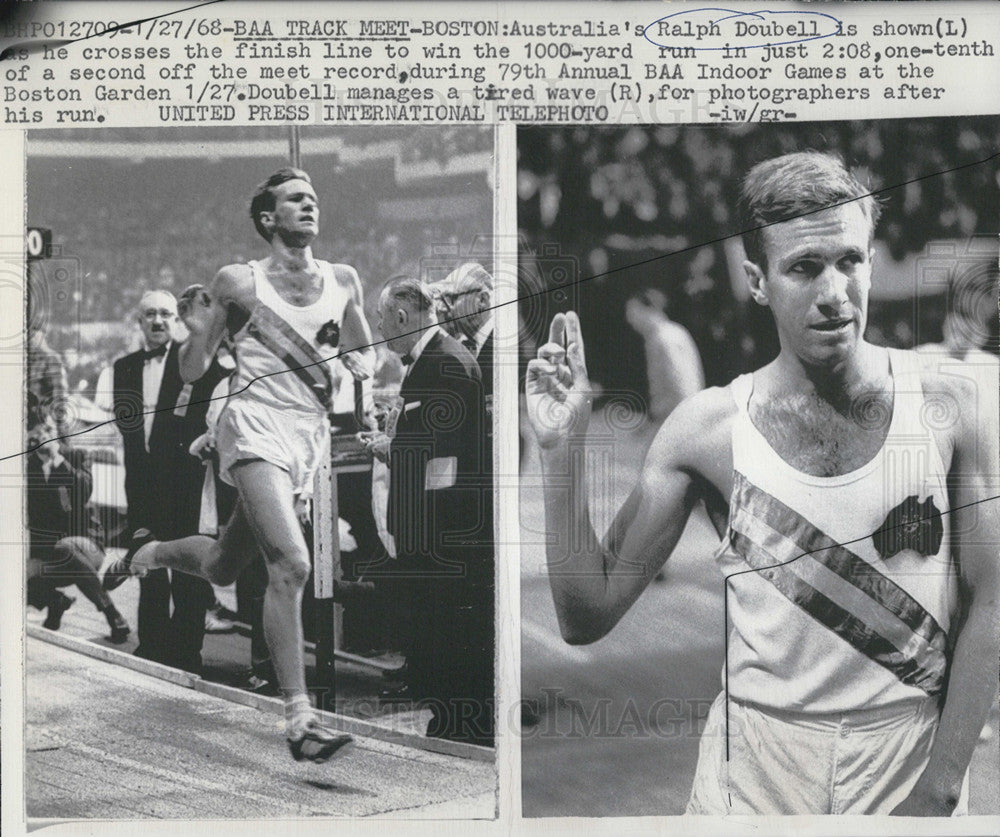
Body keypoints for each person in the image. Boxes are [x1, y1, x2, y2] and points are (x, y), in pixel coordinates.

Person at [526, 151, 999, 815]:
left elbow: (992, 599)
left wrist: (941, 787)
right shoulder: (706, 430)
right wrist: (562, 446)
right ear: (756, 279)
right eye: (805, 268)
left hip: (906, 759)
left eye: (849, 260)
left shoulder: (949, 406)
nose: (834, 292)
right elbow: (584, 613)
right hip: (753, 773)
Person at [104, 167, 375, 763]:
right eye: (295, 200)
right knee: (292, 562)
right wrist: (198, 332)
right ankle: (299, 718)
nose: (310, 206)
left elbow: (362, 349)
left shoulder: (344, 279)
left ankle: (150, 555)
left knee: (226, 565)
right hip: (252, 430)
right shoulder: (239, 282)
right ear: (267, 218)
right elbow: (198, 371)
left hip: (308, 438)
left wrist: (360, 367)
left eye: (314, 199)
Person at [362, 276, 494, 746]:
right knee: (438, 629)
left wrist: (391, 450)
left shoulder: (447, 364)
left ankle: (461, 724)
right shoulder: (437, 361)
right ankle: (450, 718)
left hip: (442, 530)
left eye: (381, 321)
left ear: (401, 317)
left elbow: (448, 456)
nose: (380, 331)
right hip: (432, 528)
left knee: (452, 630)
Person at [102, 289, 230, 674]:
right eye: (150, 315)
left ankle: (186, 653)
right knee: (147, 568)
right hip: (142, 487)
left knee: (189, 573)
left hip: (186, 486)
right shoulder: (123, 368)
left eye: (165, 314)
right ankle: (152, 648)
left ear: (176, 320)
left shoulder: (196, 362)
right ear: (139, 322)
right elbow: (130, 437)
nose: (158, 322)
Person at [26, 413, 130, 642]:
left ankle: (112, 613)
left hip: (87, 544)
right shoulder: (28, 467)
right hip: (49, 553)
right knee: (15, 574)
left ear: (56, 432)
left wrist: (57, 460)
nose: (44, 437)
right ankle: (55, 601)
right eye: (37, 434)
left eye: (48, 431)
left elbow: (84, 490)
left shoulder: (75, 456)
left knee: (66, 548)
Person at [624, 287, 705, 422]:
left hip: (680, 419)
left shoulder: (665, 338)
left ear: (649, 310)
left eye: (633, 312)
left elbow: (682, 384)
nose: (630, 319)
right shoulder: (664, 335)